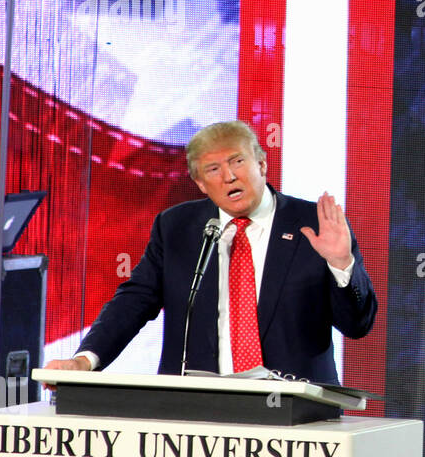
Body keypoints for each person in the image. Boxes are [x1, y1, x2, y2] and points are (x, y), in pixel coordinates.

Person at [44, 120, 377, 382]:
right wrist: (85, 360)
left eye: (238, 161)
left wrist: (341, 264)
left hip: (295, 414)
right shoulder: (176, 227)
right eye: (214, 170)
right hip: (196, 409)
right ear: (201, 184)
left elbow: (357, 325)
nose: (229, 175)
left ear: (261, 164)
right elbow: (135, 301)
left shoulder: (314, 224)